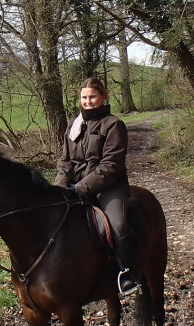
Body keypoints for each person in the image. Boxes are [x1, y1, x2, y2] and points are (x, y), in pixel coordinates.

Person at [55, 77, 138, 295]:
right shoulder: (73, 126)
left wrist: (81, 188)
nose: (88, 101)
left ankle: (127, 273)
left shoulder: (114, 125)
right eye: (84, 97)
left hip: (109, 187)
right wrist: (60, 188)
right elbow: (65, 161)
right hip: (75, 185)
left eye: (92, 97)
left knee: (118, 224)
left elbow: (111, 165)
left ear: (103, 97)